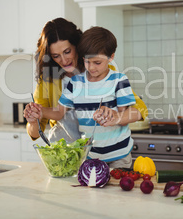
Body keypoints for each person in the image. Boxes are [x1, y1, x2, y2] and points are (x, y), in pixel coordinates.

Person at [23, 18, 147, 145]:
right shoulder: (48, 80)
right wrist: (33, 119)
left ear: (77, 46)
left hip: (98, 149)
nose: (64, 60)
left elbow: (140, 108)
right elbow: (36, 132)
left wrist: (117, 117)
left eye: (67, 52)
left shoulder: (102, 71)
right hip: (66, 151)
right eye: (56, 56)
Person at [41, 26, 135, 168]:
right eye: (87, 61)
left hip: (119, 156)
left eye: (97, 62)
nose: (91, 68)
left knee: (116, 190)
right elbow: (59, 112)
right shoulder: (75, 82)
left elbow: (126, 115)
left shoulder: (119, 80)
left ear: (111, 57)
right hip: (90, 156)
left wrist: (115, 116)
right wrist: (40, 110)